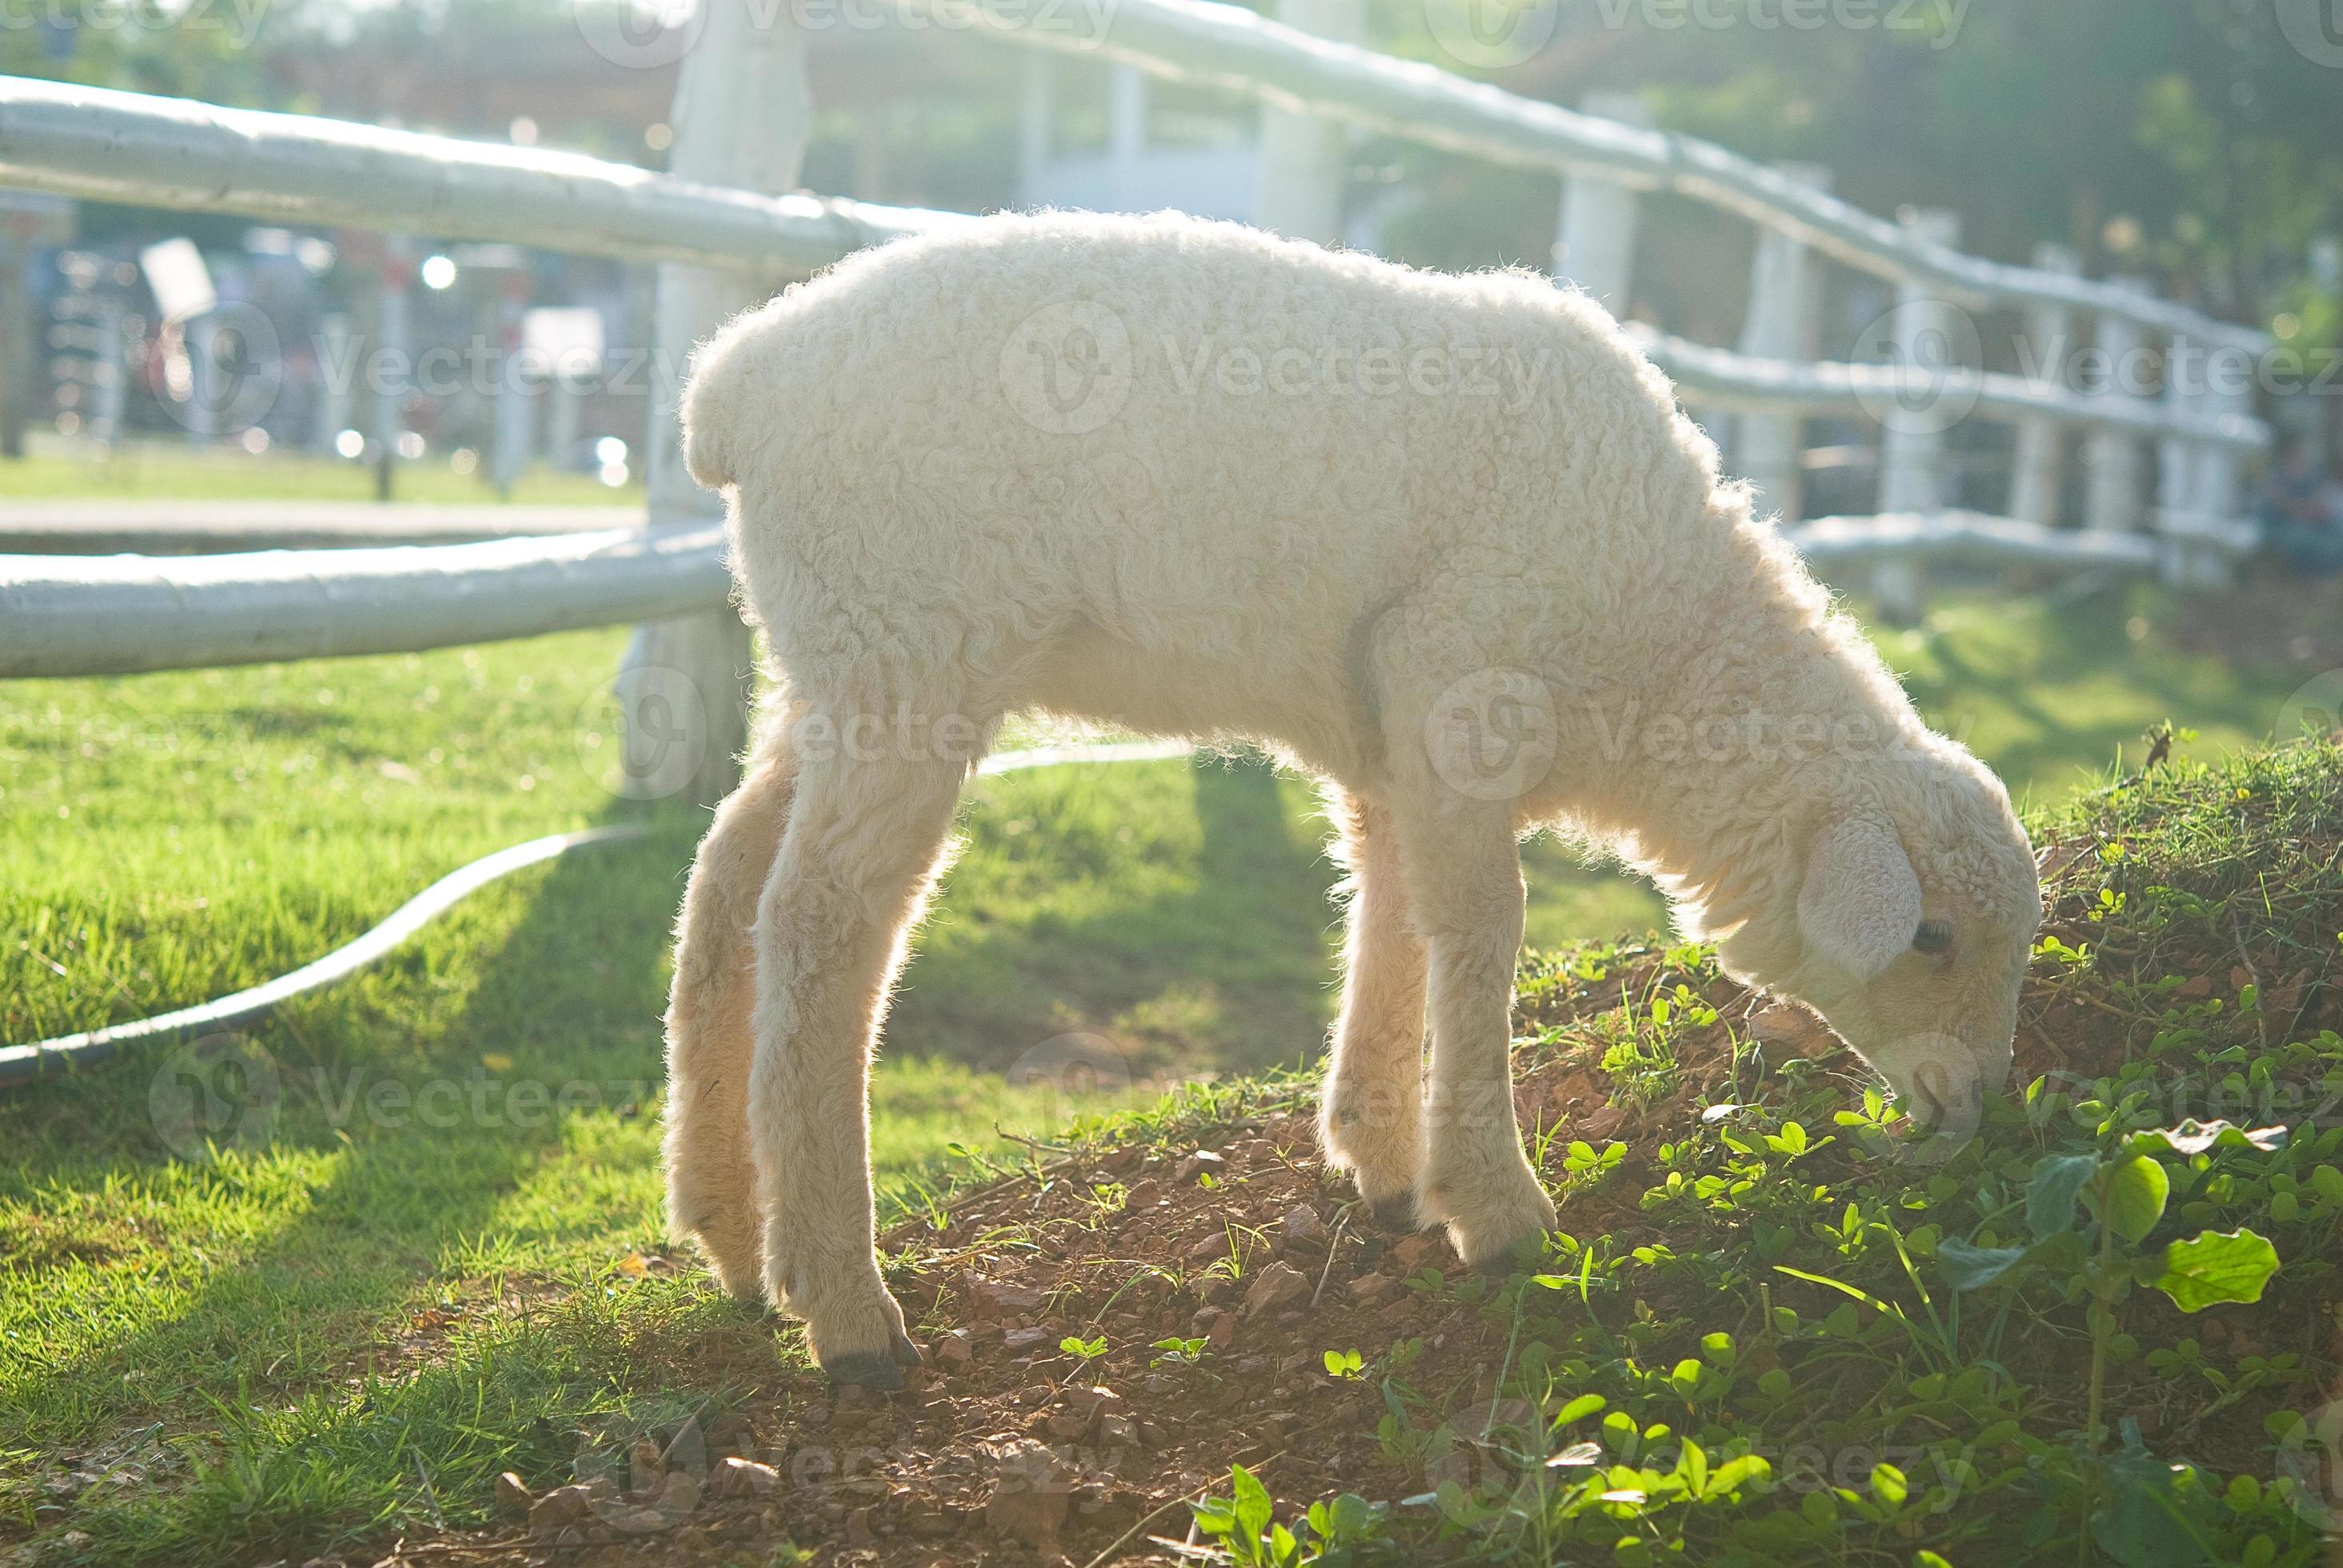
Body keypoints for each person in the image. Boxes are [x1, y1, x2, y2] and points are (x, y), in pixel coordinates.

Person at [2262, 437, 2343, 575]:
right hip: (2306, 527)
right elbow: (2307, 507)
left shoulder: (2328, 487)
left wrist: (2284, 502)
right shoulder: (2329, 487)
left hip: (2327, 535)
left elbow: (2315, 509)